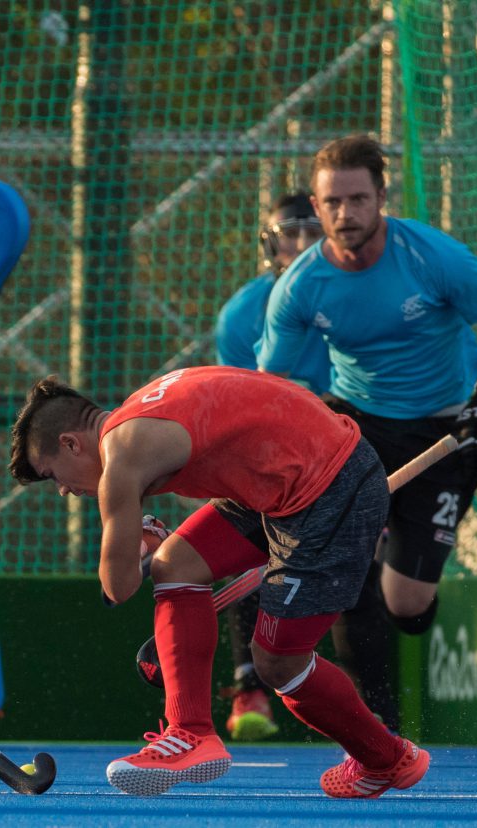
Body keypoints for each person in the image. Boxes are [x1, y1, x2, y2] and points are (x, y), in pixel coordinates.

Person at [9, 367, 429, 798]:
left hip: (329, 485)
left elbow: (117, 588)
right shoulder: (137, 414)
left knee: (278, 663)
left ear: (70, 443)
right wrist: (145, 538)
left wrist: (130, 534)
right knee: (175, 565)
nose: (62, 490)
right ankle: (189, 734)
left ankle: (388, 758)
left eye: (53, 475)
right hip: (279, 474)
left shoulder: (123, 456)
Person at [259, 134, 477, 669]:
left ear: (381, 197)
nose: (346, 213)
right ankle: (373, 727)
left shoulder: (434, 258)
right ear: (316, 207)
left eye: (358, 199)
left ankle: (402, 538)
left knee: (408, 609)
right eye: (333, 203)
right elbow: (267, 387)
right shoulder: (299, 286)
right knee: (340, 568)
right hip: (356, 424)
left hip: (444, 426)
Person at [212, 192, 328, 741]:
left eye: (312, 229)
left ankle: (351, 699)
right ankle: (248, 688)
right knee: (244, 543)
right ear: (270, 242)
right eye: (289, 232)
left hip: (345, 446)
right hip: (268, 453)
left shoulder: (351, 295)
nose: (301, 243)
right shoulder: (240, 314)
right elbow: (240, 407)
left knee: (358, 566)